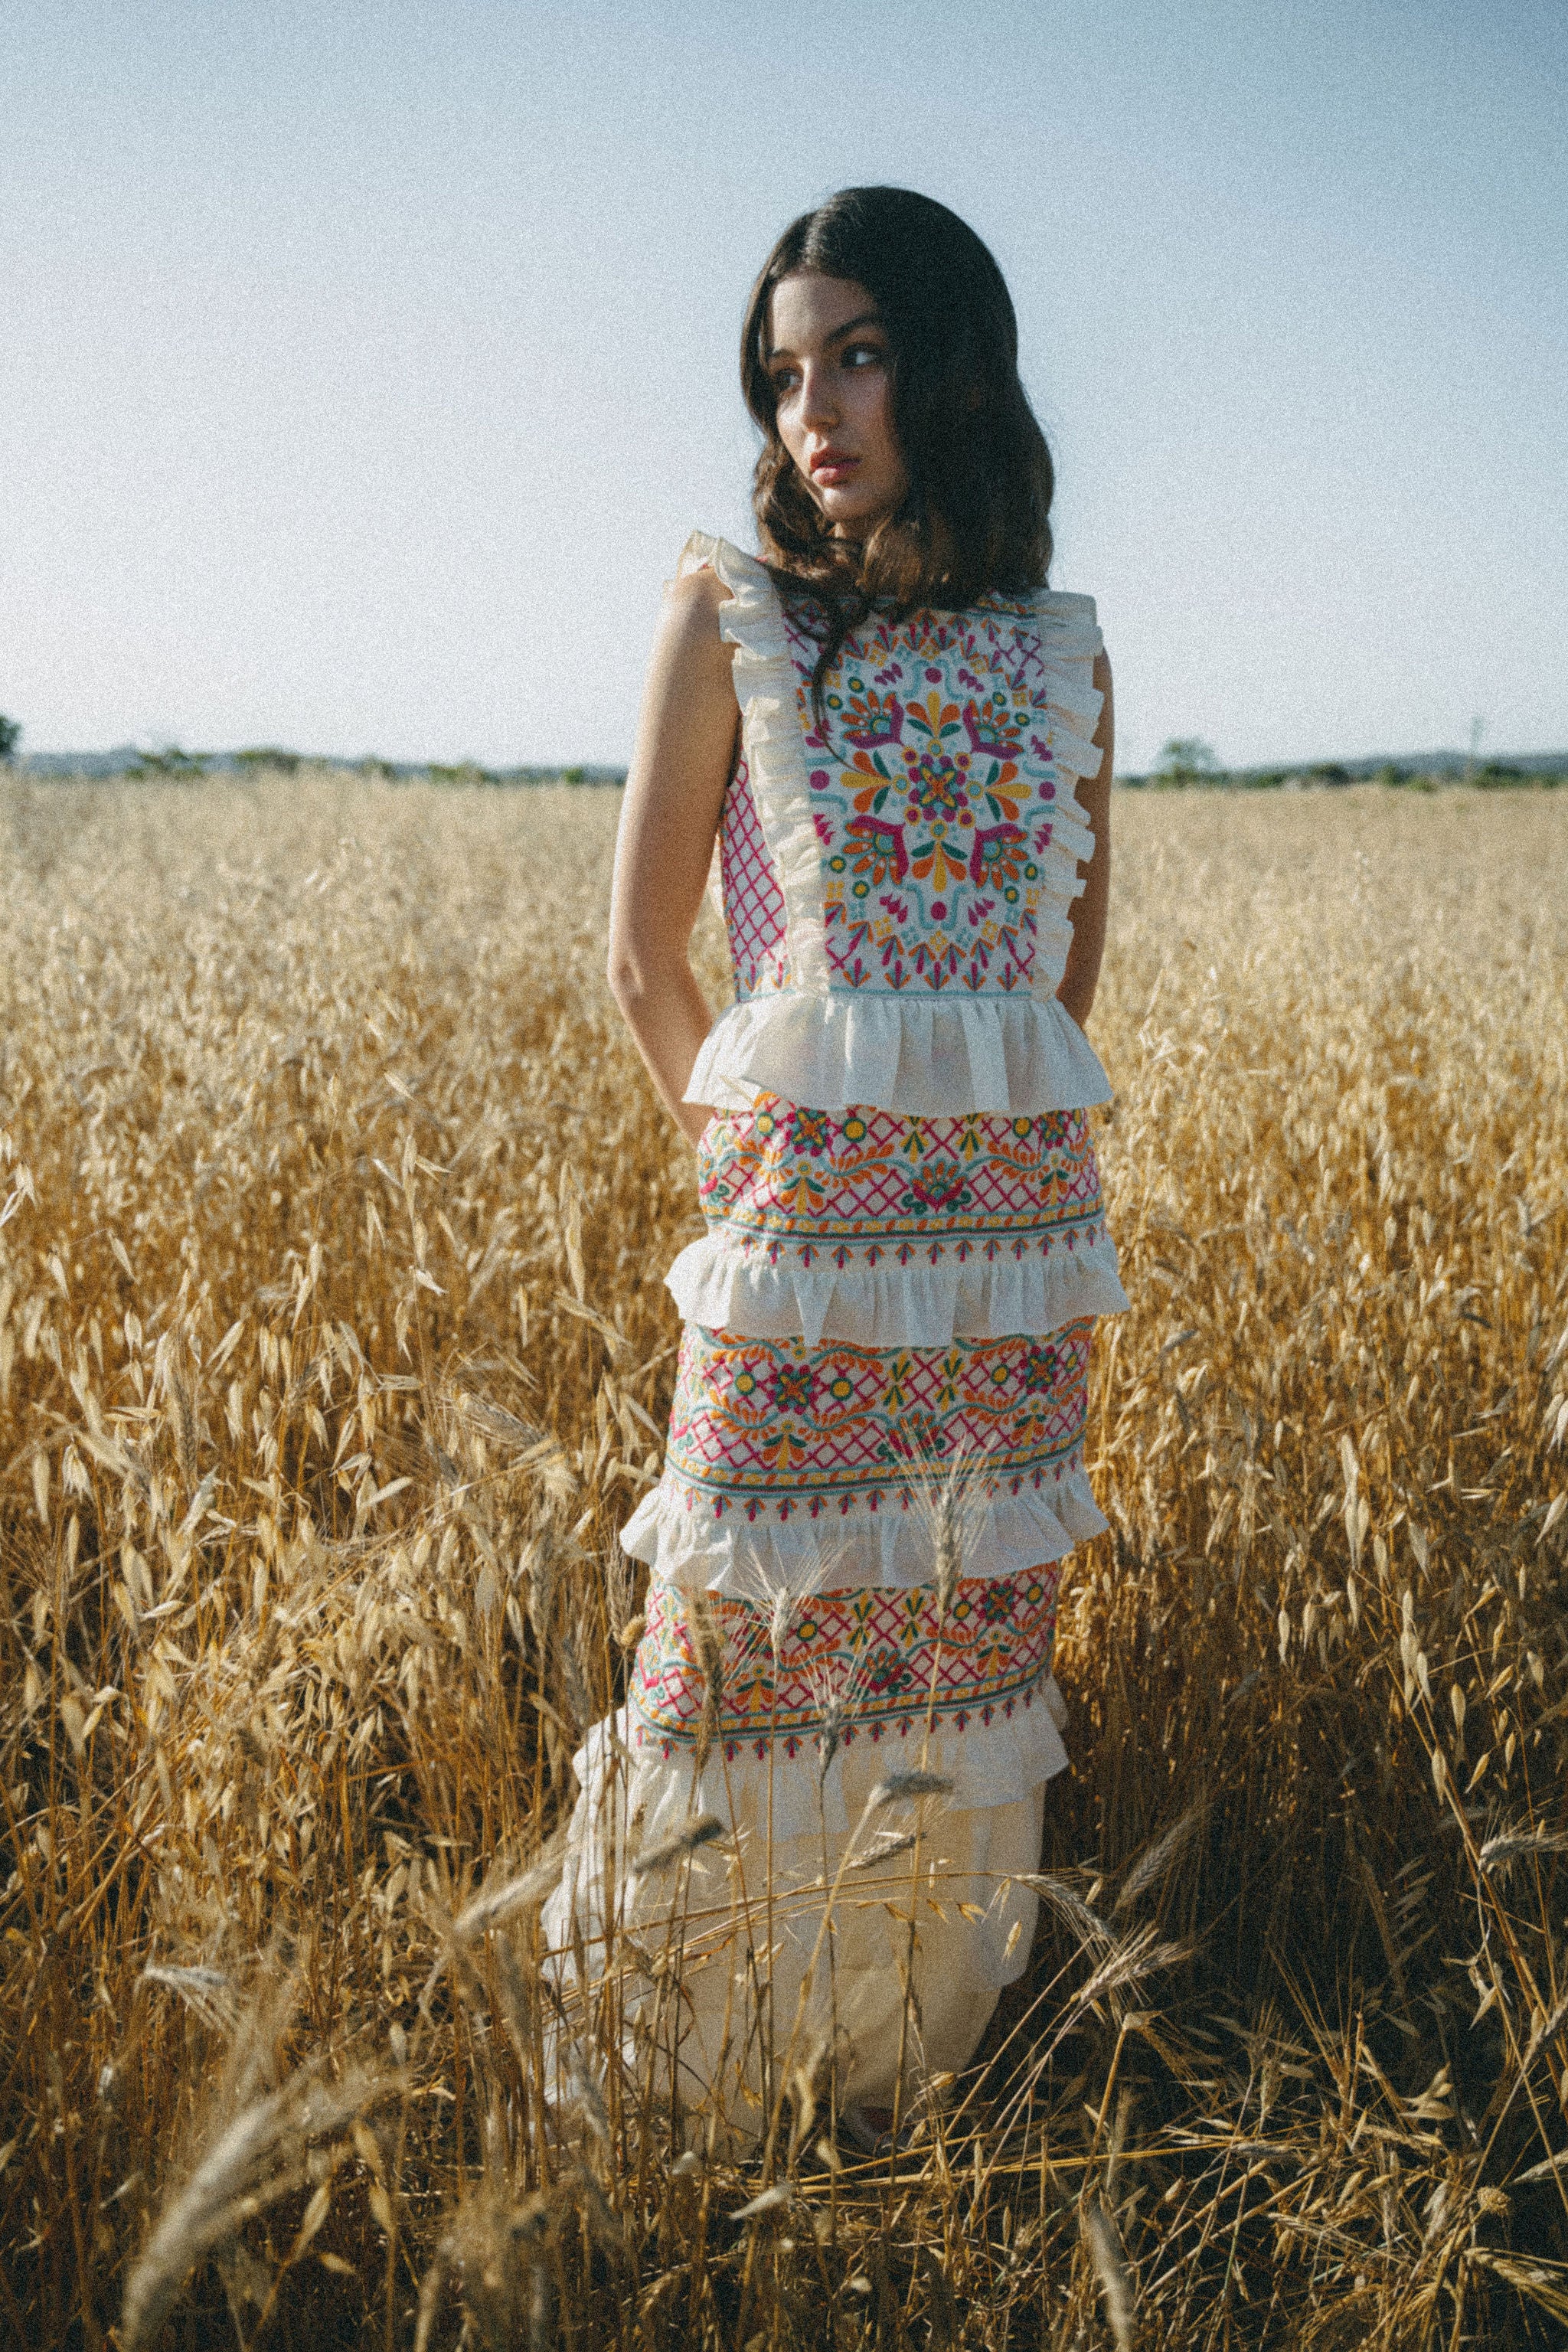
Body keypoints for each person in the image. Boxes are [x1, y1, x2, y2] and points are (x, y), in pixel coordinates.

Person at [543, 185, 1124, 2153]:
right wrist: (759, 1192)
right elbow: (639, 956)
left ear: (953, 367)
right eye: (783, 373)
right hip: (795, 1272)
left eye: (858, 354)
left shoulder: (1063, 660)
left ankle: (899, 2120)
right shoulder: (732, 612)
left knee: (959, 1677)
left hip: (1008, 1285)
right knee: (726, 1675)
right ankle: (677, 2125)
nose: (814, 410)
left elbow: (1057, 993)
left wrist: (964, 1212)